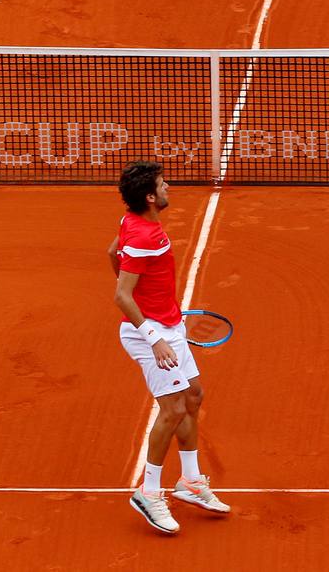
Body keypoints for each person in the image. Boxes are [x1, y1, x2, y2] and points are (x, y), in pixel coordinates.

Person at [108, 161, 229, 534]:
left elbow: (112, 253)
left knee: (193, 395)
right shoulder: (148, 237)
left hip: (168, 325)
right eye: (162, 185)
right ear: (149, 197)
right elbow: (122, 296)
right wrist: (155, 337)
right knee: (173, 408)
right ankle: (149, 491)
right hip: (150, 334)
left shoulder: (131, 222)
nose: (168, 188)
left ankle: (190, 481)